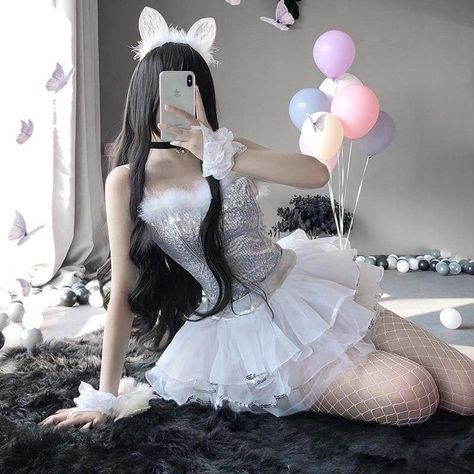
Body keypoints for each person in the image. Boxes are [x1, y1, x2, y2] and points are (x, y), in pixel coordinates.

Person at [39, 7, 474, 431]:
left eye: (189, 87)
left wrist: (217, 152)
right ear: (144, 95)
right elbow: (123, 290)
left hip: (309, 288)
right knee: (414, 394)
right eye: (166, 89)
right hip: (248, 331)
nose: (175, 101)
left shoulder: (228, 149)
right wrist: (105, 397)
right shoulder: (126, 181)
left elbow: (315, 173)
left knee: (467, 388)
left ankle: (361, 354)